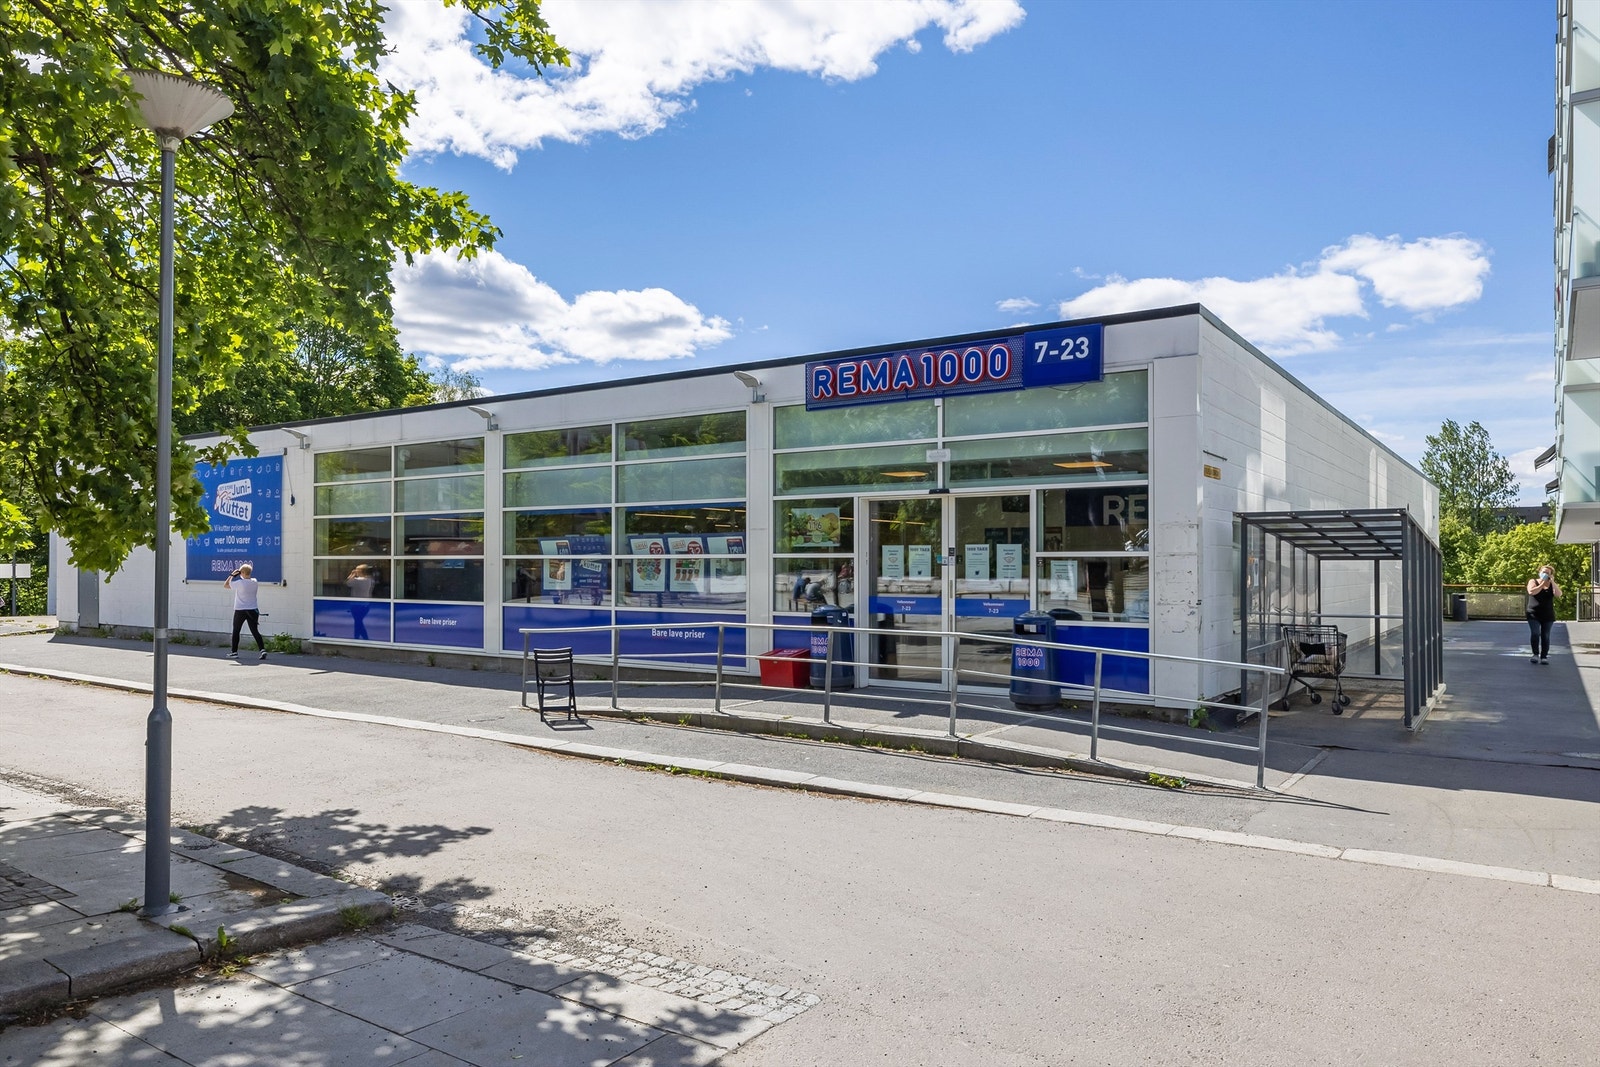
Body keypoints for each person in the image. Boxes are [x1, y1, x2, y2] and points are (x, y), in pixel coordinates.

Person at [224, 563, 267, 660]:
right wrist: (241, 573)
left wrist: (231, 575)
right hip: (253, 610)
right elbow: (248, 579)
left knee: (236, 630)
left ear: (242, 572)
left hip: (240, 610)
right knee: (255, 631)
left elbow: (226, 585)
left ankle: (234, 652)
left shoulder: (240, 583)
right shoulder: (255, 582)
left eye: (240, 572)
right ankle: (262, 650)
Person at [1525, 564, 1561, 666]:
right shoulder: (1533, 581)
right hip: (1533, 613)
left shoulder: (1551, 584)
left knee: (1545, 635)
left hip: (1547, 615)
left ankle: (1544, 656)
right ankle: (1535, 654)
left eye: (1547, 573)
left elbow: (1558, 594)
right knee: (1535, 633)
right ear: (1540, 572)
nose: (1545, 574)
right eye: (1543, 572)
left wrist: (1552, 582)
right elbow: (1531, 592)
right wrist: (1542, 583)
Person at [346, 563, 376, 641]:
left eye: (357, 570)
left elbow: (347, 583)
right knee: (358, 622)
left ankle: (362, 638)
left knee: (358, 622)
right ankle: (359, 638)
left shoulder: (357, 581)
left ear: (360, 571)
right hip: (366, 604)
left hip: (356, 605)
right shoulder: (370, 580)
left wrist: (352, 574)